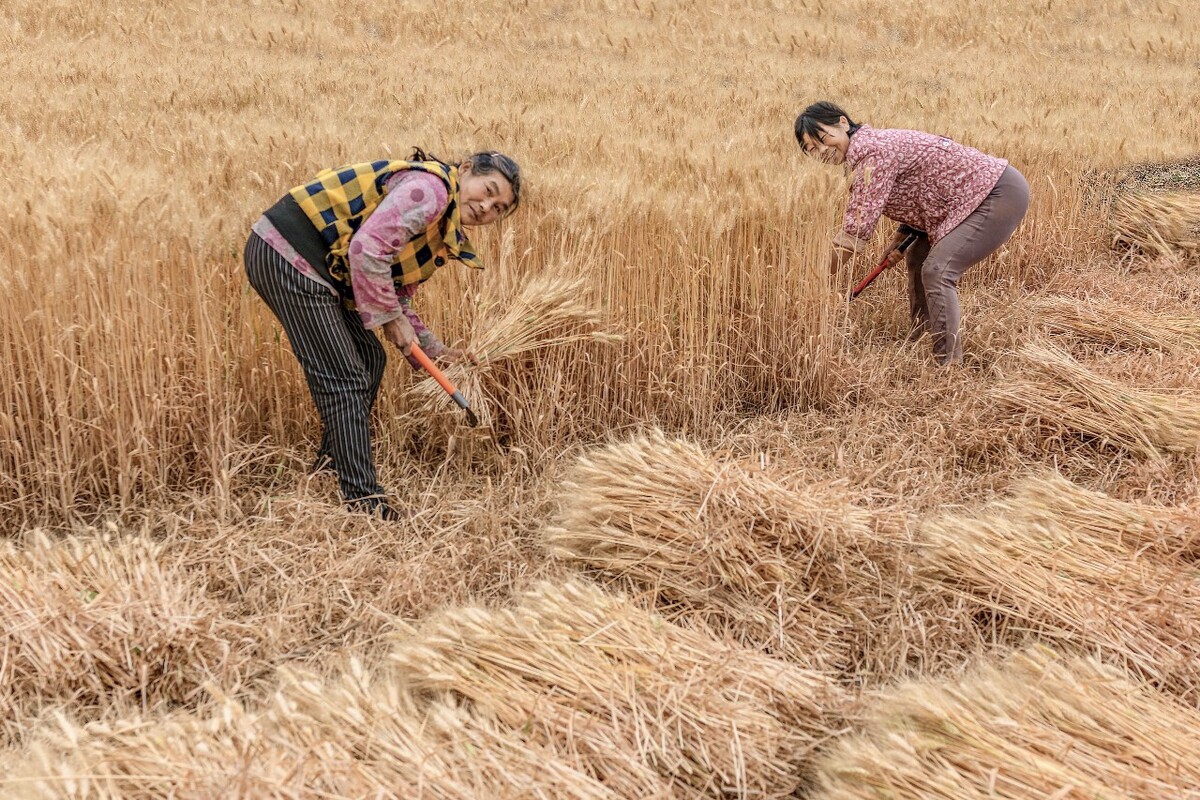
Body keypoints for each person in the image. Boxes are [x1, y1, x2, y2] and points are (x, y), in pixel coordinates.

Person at [244, 149, 520, 519]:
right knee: (345, 378)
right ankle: (364, 501)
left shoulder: (440, 224)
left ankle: (331, 464)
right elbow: (367, 250)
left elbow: (395, 290)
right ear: (466, 169)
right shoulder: (431, 191)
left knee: (370, 359)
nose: (486, 207)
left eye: (499, 208)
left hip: (319, 268)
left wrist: (433, 349)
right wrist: (389, 318)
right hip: (289, 254)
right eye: (488, 190)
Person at [795, 101, 1029, 365]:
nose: (822, 150)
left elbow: (854, 232)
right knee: (918, 257)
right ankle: (922, 336)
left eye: (823, 138)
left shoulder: (872, 153)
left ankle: (948, 365)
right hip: (965, 200)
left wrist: (814, 280)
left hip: (995, 193)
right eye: (811, 149)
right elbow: (919, 189)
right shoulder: (864, 153)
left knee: (938, 271)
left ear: (843, 123)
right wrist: (900, 240)